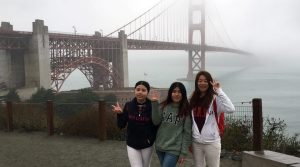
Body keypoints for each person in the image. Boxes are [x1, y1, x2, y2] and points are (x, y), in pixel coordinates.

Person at [189, 71, 235, 167]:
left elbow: (231, 109)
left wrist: (219, 90)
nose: (202, 83)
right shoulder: (193, 99)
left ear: (210, 83)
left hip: (212, 142)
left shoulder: (215, 99)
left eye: (205, 81)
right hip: (196, 142)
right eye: (200, 81)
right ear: (196, 83)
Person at [112, 81, 157, 167]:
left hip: (147, 145)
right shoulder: (128, 105)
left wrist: (150, 139)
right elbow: (121, 125)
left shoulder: (152, 106)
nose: (140, 92)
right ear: (134, 91)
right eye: (138, 89)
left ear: (147, 92)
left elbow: (156, 124)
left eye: (143, 90)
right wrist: (119, 114)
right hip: (132, 144)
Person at [151, 82, 192, 167]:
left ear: (183, 94)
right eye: (174, 91)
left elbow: (187, 133)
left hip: (174, 149)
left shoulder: (186, 111)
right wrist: (154, 103)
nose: (176, 94)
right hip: (160, 146)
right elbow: (156, 121)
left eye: (179, 92)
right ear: (170, 93)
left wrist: (183, 153)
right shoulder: (164, 105)